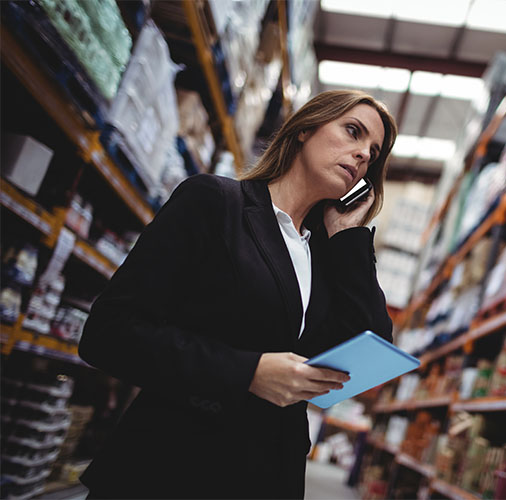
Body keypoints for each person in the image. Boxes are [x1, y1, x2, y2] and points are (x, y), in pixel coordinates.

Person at [78, 90, 397, 499]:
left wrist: (350, 236)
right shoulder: (215, 203)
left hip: (266, 477)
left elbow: (370, 343)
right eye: (352, 132)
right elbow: (109, 333)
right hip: (170, 469)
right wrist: (247, 372)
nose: (362, 156)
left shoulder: (327, 255)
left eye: (373, 153)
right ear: (305, 129)